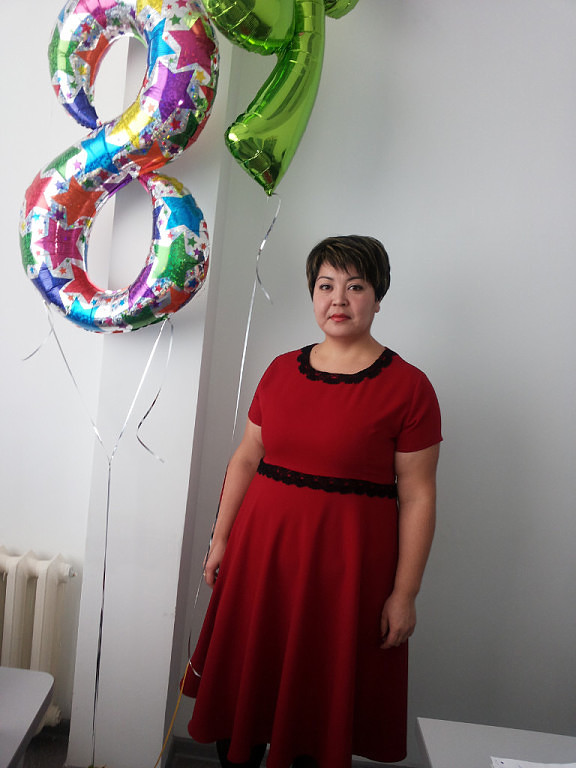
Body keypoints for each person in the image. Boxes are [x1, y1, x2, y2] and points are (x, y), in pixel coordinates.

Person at [182, 235, 442, 768]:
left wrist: (405, 593)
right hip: (260, 559)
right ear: (312, 294)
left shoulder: (410, 388)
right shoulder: (280, 370)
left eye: (355, 286)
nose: (338, 299)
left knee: (313, 710)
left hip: (343, 575)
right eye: (326, 286)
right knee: (241, 701)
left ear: (378, 296)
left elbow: (418, 495)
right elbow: (246, 458)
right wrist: (220, 539)